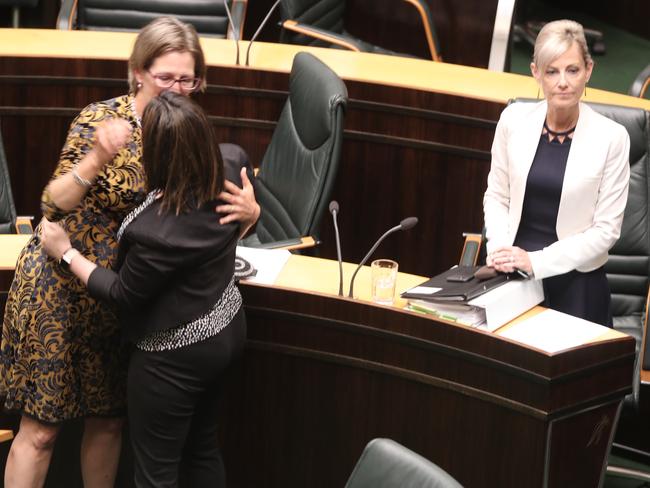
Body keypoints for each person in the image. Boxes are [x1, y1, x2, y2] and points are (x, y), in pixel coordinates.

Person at [0, 17, 258, 488]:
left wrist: (251, 213)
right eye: (166, 78)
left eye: (188, 78)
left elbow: (204, 221)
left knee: (110, 420)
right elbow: (49, 205)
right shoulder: (99, 121)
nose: (177, 88)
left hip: (130, 292)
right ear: (137, 72)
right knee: (40, 433)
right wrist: (97, 158)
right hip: (63, 285)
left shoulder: (188, 127)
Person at [41, 91, 245, 488]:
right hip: (227, 329)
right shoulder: (232, 162)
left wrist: (66, 253)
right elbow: (244, 205)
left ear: (158, 153)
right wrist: (251, 213)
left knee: (157, 472)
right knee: (203, 448)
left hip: (173, 359)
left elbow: (122, 293)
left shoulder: (159, 231)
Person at [483, 19, 630, 327]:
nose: (563, 82)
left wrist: (536, 262)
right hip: (512, 278)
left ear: (588, 70)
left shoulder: (612, 138)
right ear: (536, 73)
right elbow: (497, 196)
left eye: (572, 70)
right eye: (552, 71)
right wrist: (499, 251)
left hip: (577, 284)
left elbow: (606, 232)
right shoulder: (513, 120)